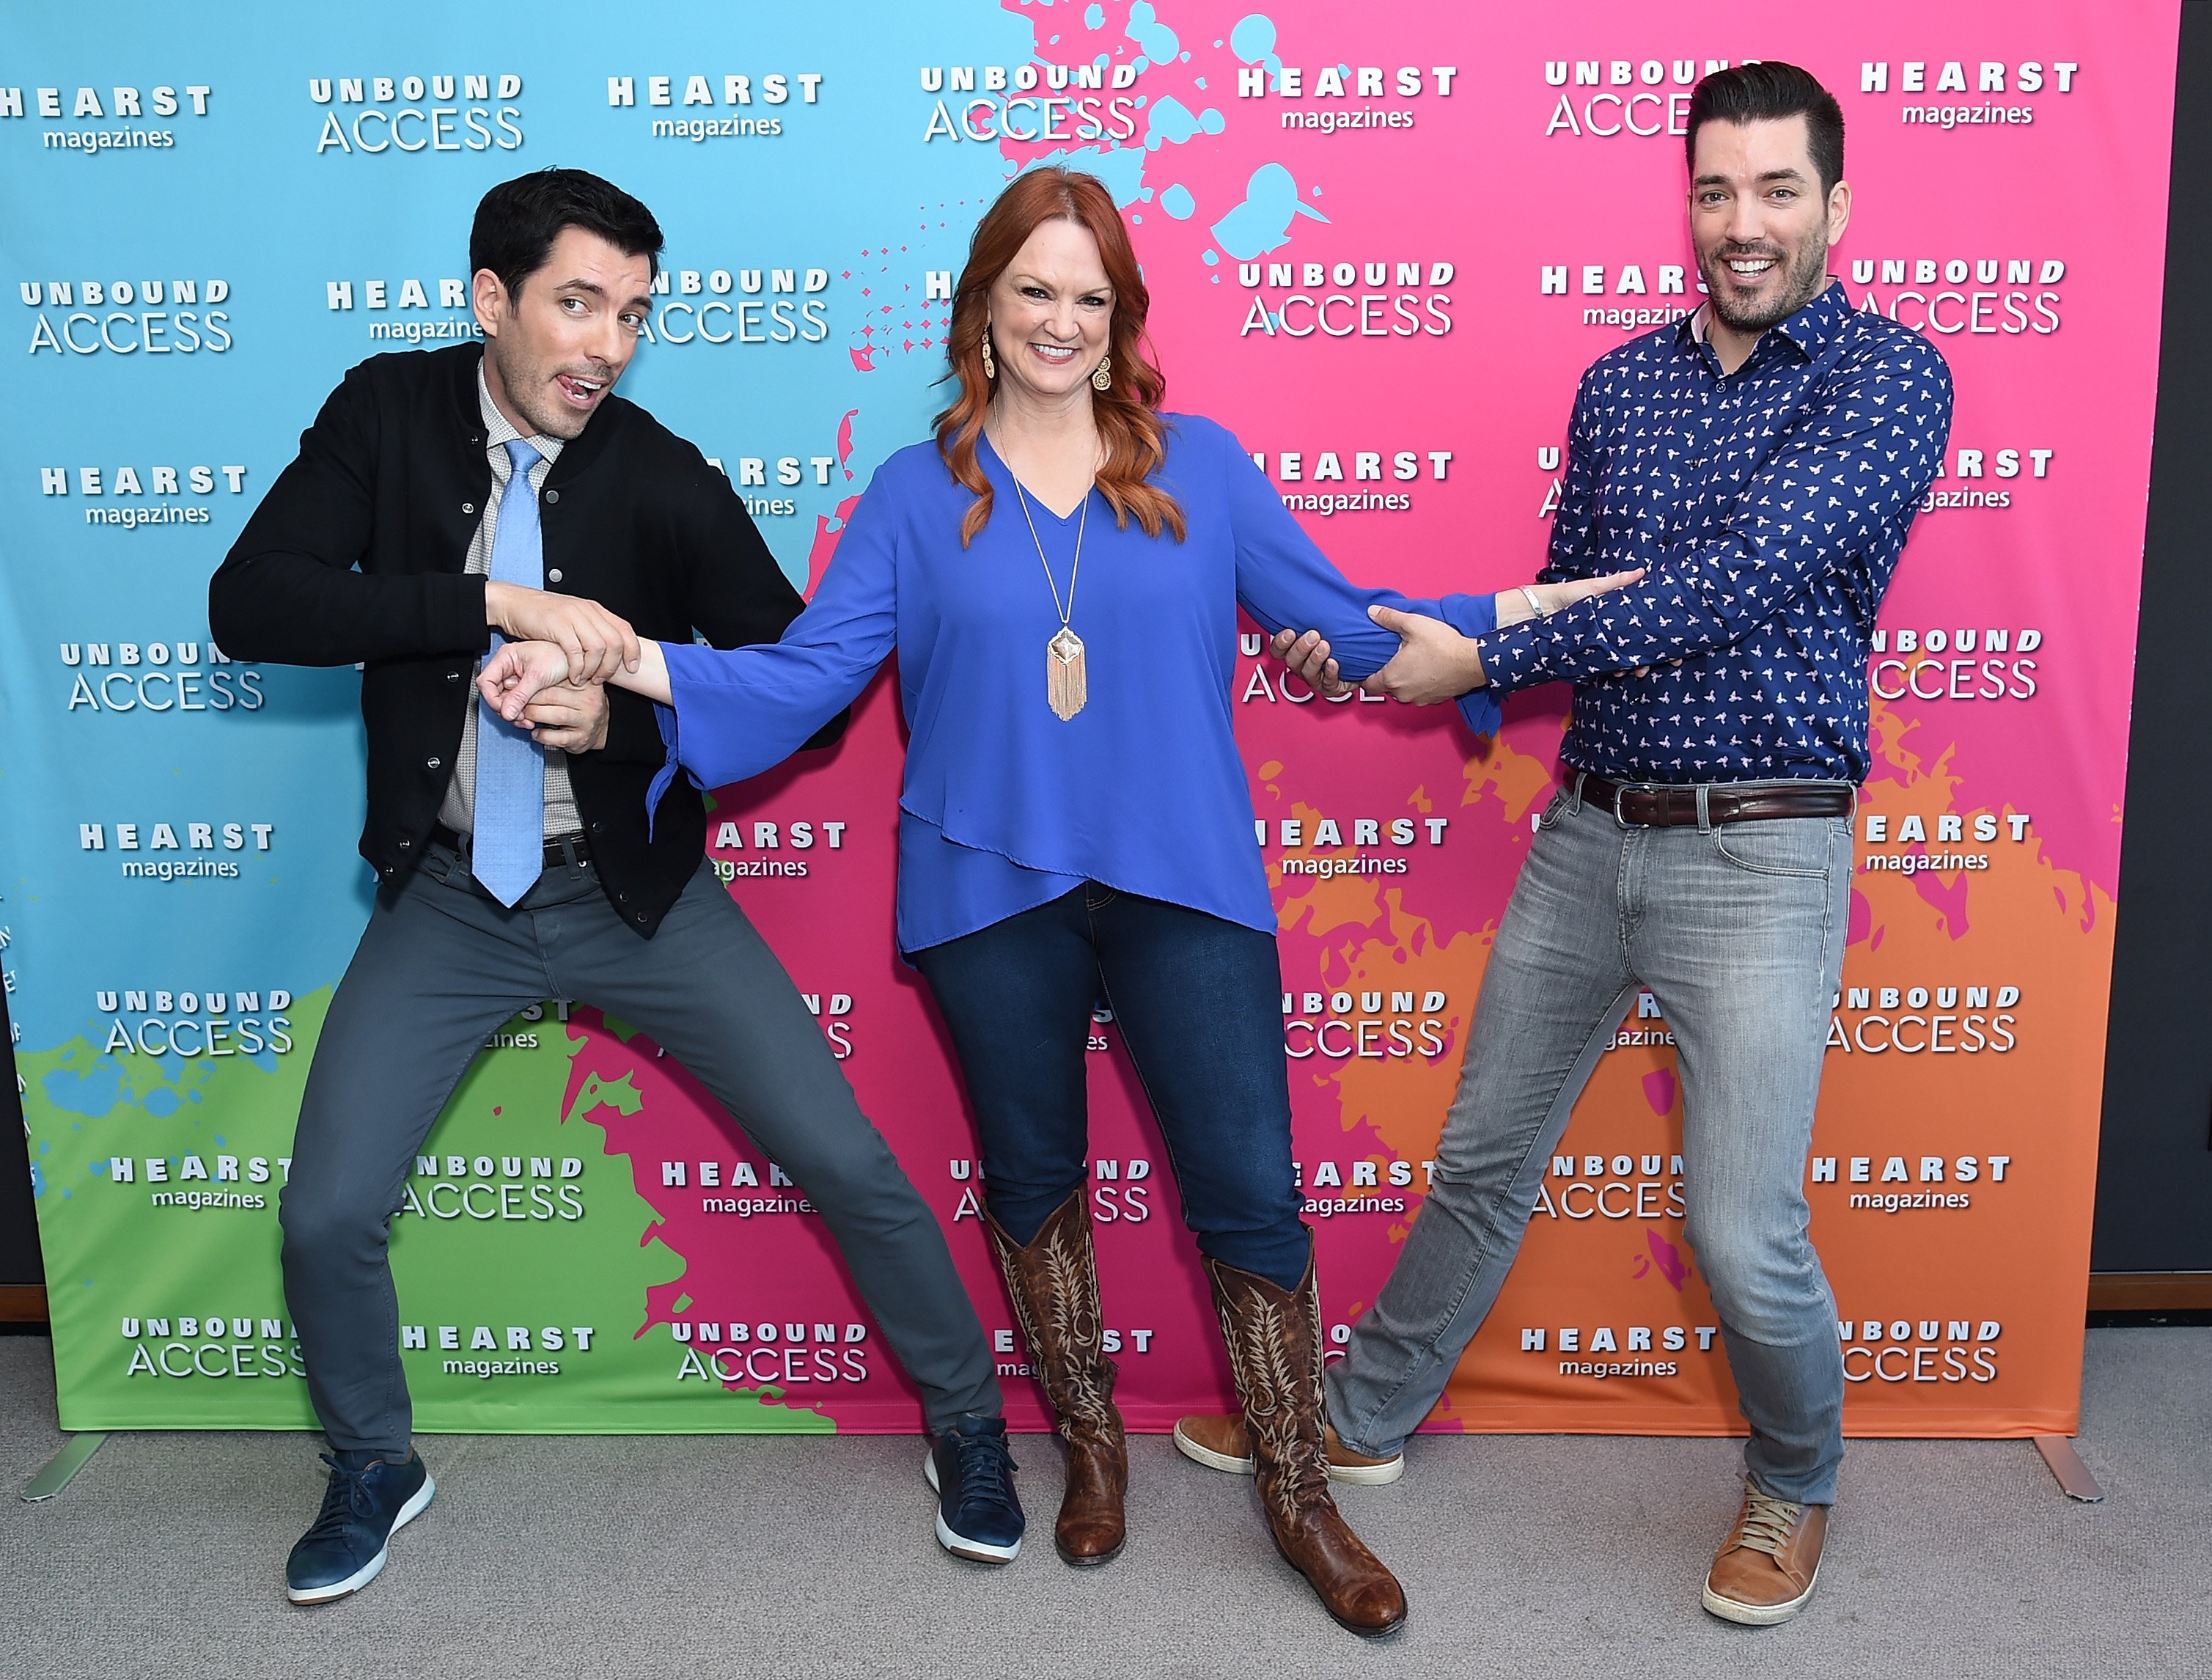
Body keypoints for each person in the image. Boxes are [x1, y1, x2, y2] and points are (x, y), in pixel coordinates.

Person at [481, 166, 1639, 1635]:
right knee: (1031, 1182)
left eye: (1091, 297)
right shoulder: (915, 496)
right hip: (986, 891)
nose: (1062, 321)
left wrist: (1539, 617)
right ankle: (1091, 1449)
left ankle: (1299, 1490)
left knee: (1250, 1192)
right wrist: (624, 659)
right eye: (1035, 289)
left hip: (1182, 876)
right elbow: (802, 680)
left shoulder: (1202, 469)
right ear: (983, 306)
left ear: (1121, 318)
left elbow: (1347, 626)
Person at [1177, 62, 1955, 1627]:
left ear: (1836, 207)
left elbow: (1733, 580)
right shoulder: (1621, 384)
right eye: (1716, 190)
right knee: (1483, 1157)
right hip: (1588, 832)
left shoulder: (1890, 376)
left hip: (1762, 854)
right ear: (1687, 204)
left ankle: (1794, 1481)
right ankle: (1361, 1416)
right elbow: (1564, 598)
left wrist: (1480, 654)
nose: (1743, 223)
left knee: (1742, 1230)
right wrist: (1386, 646)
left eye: (1777, 190)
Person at [208, 169, 1021, 1604]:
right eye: (578, 305)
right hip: (450, 900)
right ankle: (375, 1462)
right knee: (326, 1211)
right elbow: (253, 600)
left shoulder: (659, 472)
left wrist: (627, 725)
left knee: (845, 1161)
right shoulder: (384, 414)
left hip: (637, 896)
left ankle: (968, 1424)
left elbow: (798, 687)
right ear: (491, 299)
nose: (607, 346)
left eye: (633, 314)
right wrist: (491, 603)